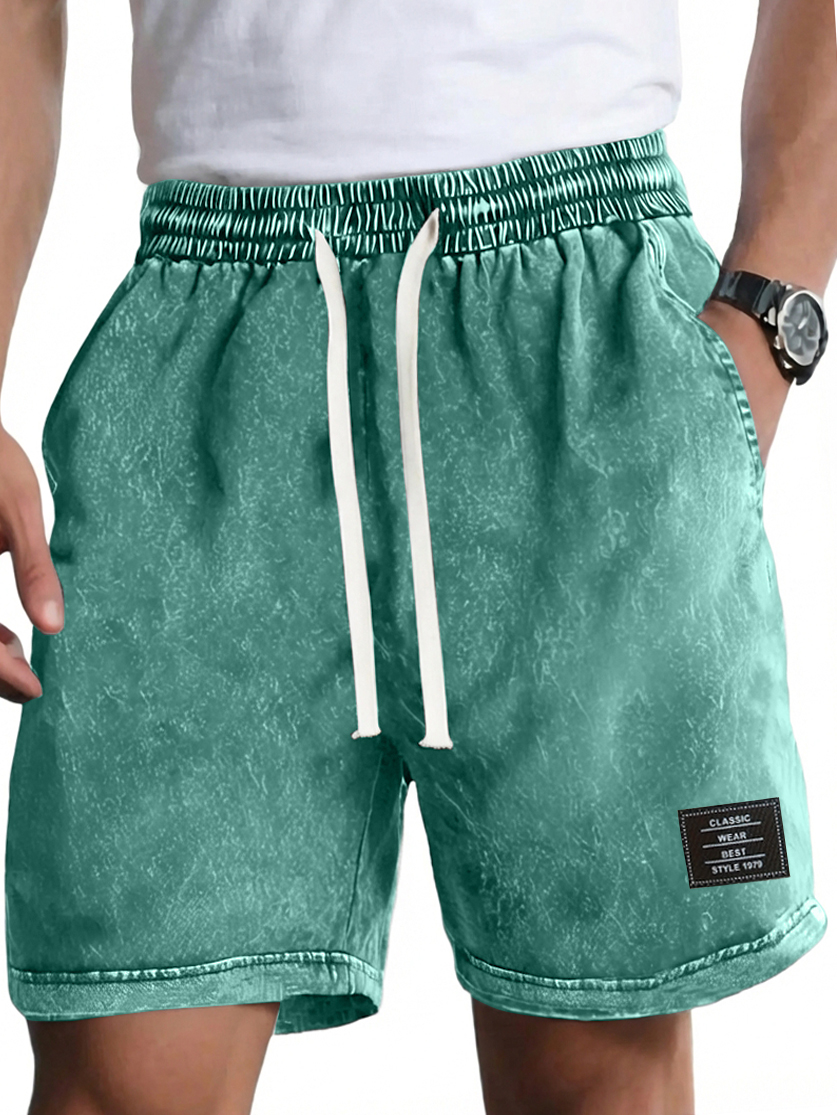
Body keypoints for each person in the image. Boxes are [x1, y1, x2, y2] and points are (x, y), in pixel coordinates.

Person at [1, 1, 834, 1112]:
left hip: (578, 336)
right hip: (201, 350)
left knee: (597, 1066)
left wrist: (769, 314)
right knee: (121, 1058)